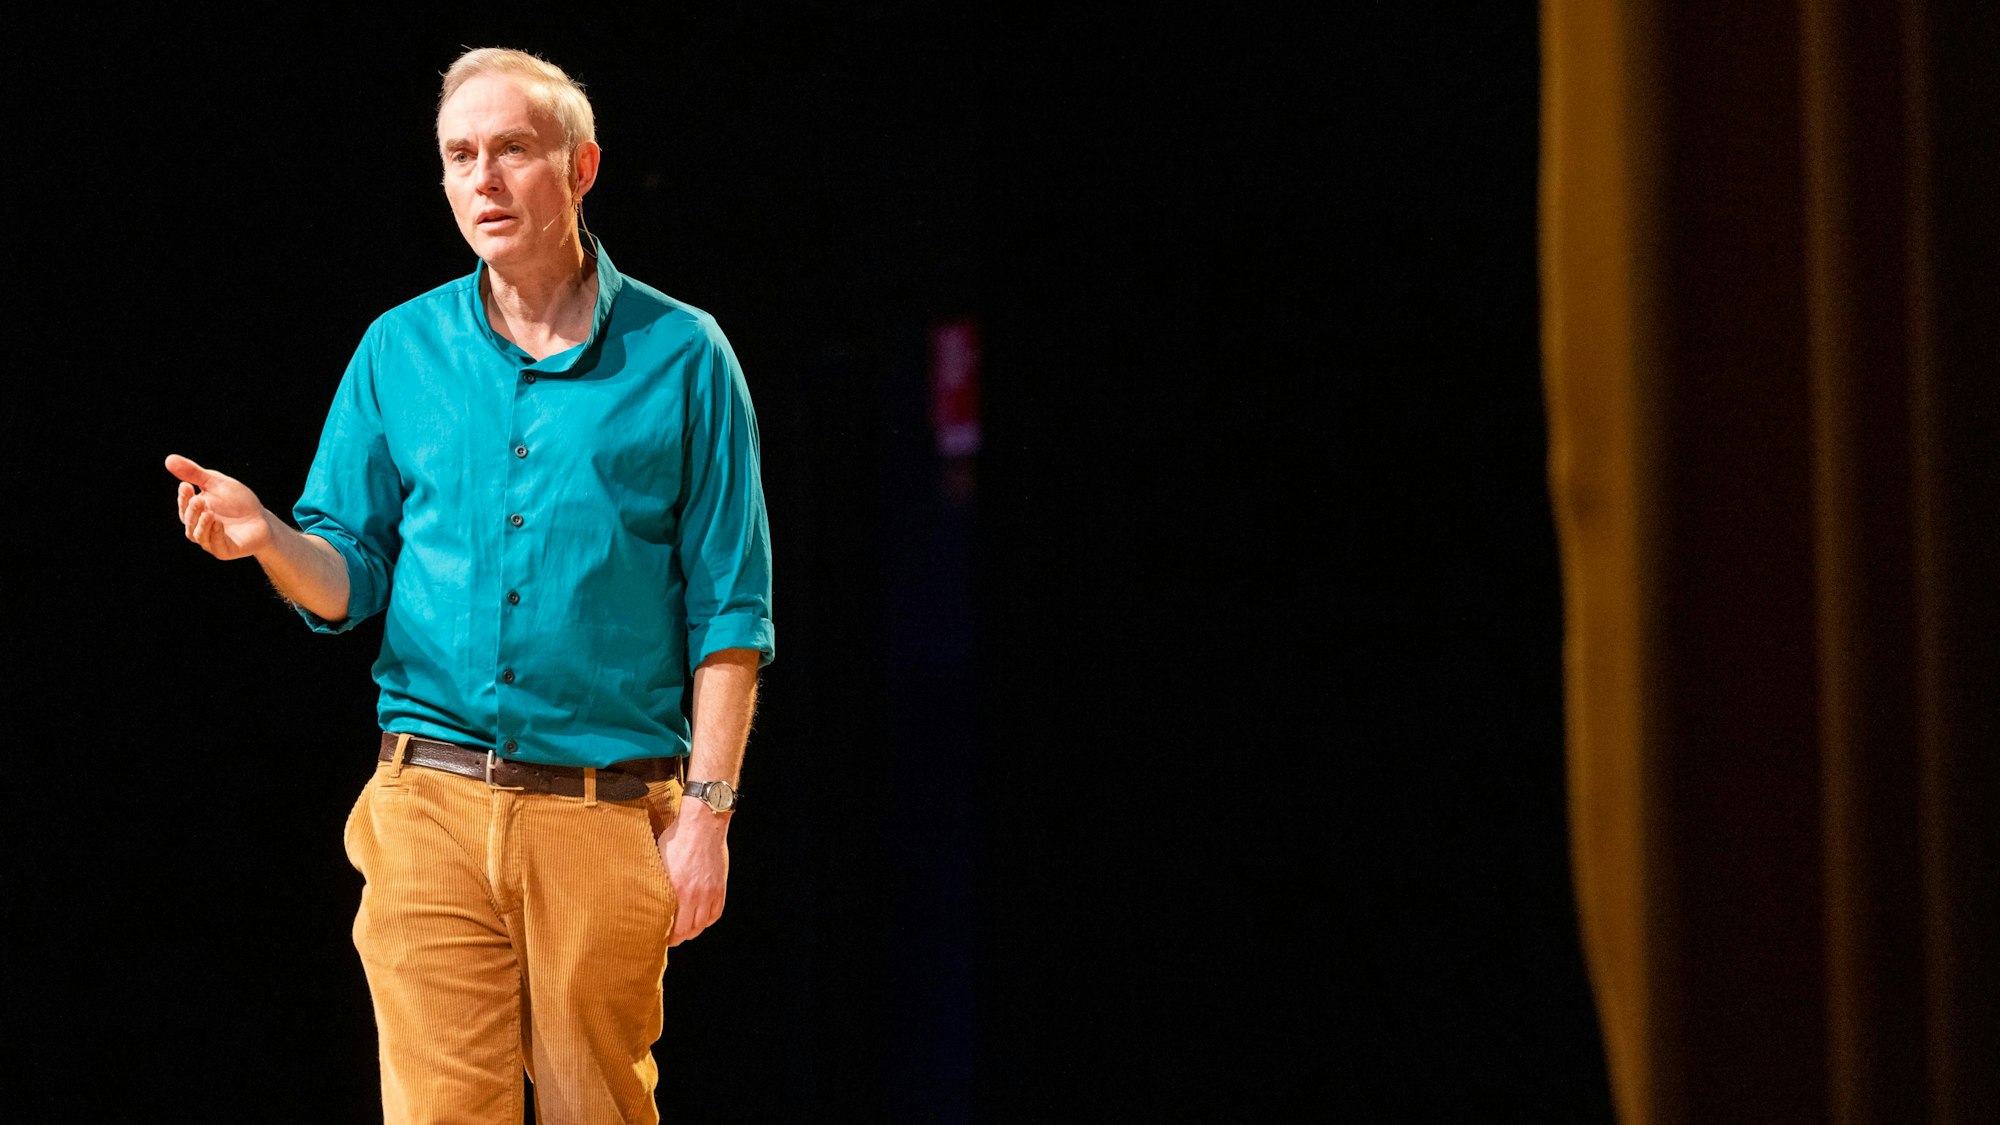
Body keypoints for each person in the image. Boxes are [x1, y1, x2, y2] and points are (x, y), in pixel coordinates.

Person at [166, 47, 774, 1124]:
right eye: (459, 155)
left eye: (511, 150)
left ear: (580, 168)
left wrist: (709, 820)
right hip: (427, 802)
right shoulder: (399, 347)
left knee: (601, 1111)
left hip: (601, 810)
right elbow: (345, 579)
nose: (482, 179)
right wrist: (267, 538)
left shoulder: (683, 356)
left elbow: (728, 611)